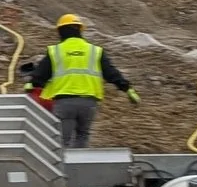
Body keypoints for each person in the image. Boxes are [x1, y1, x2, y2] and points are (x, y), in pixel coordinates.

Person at [26, 14, 135, 149]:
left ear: (60, 31)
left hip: (64, 102)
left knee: (62, 140)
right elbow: (111, 73)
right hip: (88, 103)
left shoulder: (56, 51)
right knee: (82, 136)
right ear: (79, 30)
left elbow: (40, 76)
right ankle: (79, 166)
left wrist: (31, 84)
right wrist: (127, 88)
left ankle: (62, 169)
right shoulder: (95, 51)